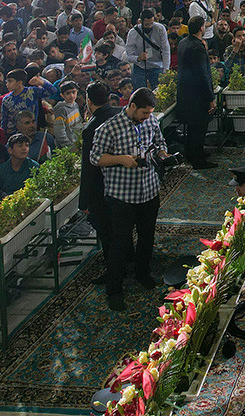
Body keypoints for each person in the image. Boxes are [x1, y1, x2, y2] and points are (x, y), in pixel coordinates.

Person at [90, 87, 169, 311]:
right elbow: (95, 158)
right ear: (132, 106)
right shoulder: (109, 128)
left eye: (149, 113)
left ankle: (142, 272)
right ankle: (114, 289)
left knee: (147, 235)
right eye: (144, 113)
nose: (147, 117)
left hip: (149, 190)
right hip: (122, 195)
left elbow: (159, 142)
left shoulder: (150, 120)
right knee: (120, 242)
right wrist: (121, 159)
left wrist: (163, 154)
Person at [81, 81, 121, 267]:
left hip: (102, 185)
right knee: (121, 226)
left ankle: (113, 267)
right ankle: (126, 257)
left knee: (106, 229)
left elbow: (89, 166)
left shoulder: (92, 127)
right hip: (124, 180)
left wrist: (84, 200)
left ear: (89, 101)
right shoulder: (120, 114)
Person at [176, 16, 216, 169]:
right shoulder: (197, 47)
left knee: (192, 128)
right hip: (197, 95)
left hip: (186, 92)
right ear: (201, 28)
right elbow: (202, 74)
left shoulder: (183, 42)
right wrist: (210, 97)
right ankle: (197, 159)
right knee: (198, 128)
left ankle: (193, 153)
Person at [124, 8, 171, 91]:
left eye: (151, 23)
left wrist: (166, 69)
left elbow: (166, 50)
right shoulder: (133, 33)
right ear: (141, 21)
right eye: (146, 24)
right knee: (140, 91)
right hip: (140, 66)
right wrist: (138, 58)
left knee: (159, 91)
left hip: (157, 65)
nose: (149, 26)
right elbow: (129, 55)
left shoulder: (160, 29)